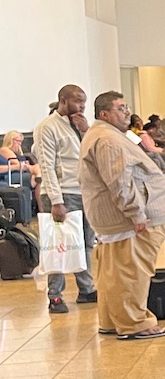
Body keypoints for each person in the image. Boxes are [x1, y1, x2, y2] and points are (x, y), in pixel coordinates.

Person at [79, 91, 165, 340]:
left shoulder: (105, 135)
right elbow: (119, 181)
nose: (127, 113)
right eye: (121, 108)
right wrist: (136, 213)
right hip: (129, 220)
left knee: (114, 271)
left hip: (116, 219)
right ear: (104, 114)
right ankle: (134, 322)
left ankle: (112, 319)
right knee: (132, 271)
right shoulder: (108, 140)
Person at [33, 85, 98, 315]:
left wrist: (86, 131)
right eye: (77, 101)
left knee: (85, 243)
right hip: (61, 194)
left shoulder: (79, 126)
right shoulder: (47, 128)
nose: (81, 106)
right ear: (63, 100)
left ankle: (87, 289)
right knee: (59, 245)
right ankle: (55, 296)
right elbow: (47, 167)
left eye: (84, 102)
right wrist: (56, 200)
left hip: (83, 191)